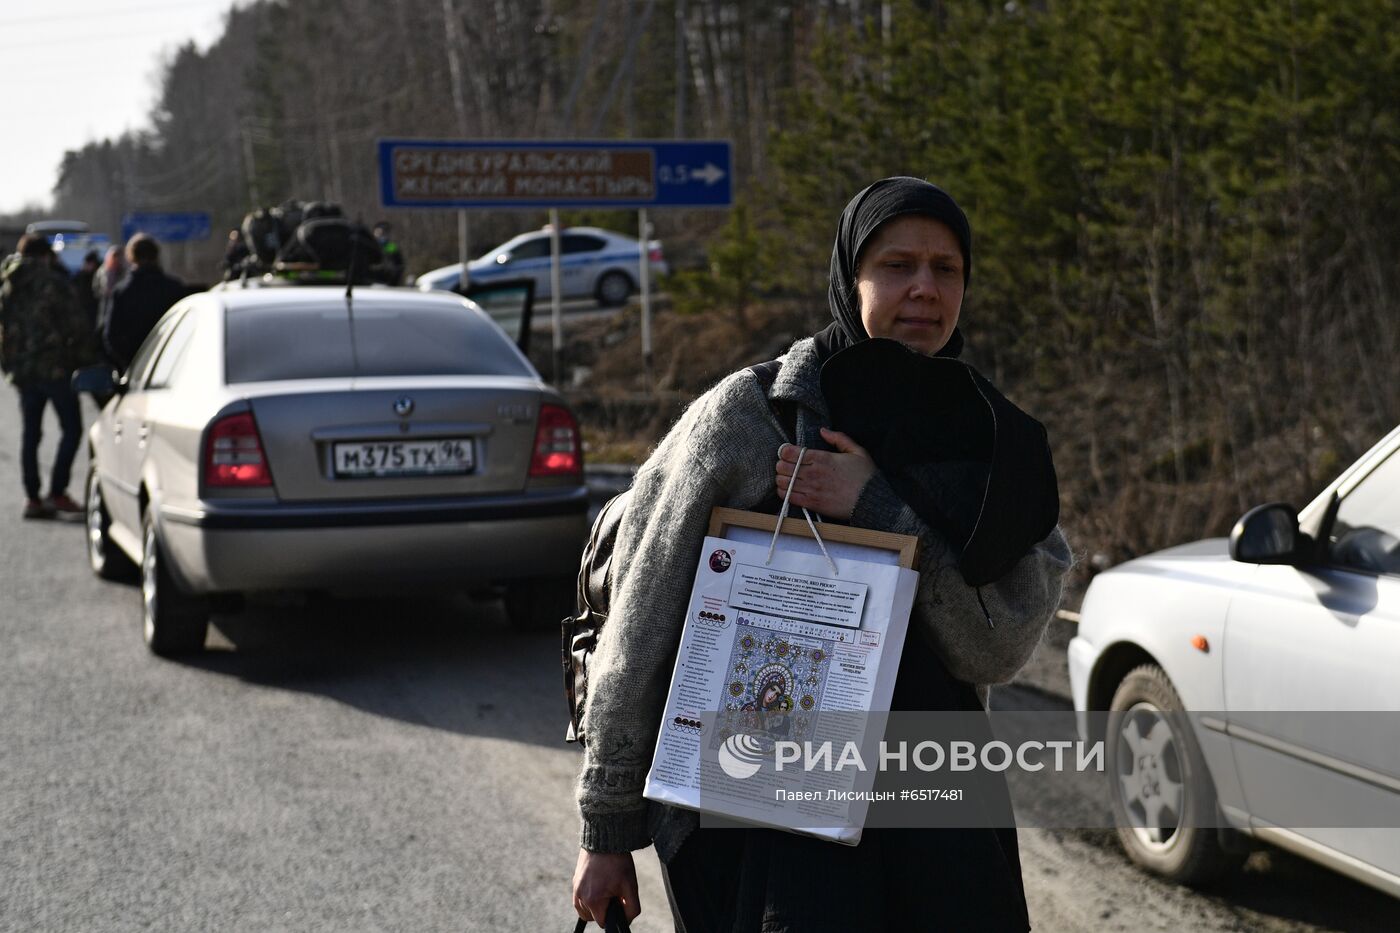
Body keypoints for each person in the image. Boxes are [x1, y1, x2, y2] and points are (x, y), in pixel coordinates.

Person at [570, 177, 1071, 931]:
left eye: (947, 269)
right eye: (897, 265)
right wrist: (607, 828)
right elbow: (642, 623)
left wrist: (877, 509)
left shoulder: (998, 448)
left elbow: (995, 646)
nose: (925, 288)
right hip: (759, 814)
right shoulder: (753, 415)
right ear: (850, 275)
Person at [0, 235, 93, 519]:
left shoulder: (8, 286)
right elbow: (76, 326)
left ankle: (33, 498)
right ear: (45, 256)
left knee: (31, 433)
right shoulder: (53, 283)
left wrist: (9, 366)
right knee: (72, 428)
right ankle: (57, 492)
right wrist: (89, 361)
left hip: (23, 371)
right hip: (55, 369)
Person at [103, 234, 186, 372]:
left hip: (135, 369)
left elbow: (111, 336)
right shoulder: (174, 288)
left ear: (131, 257)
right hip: (171, 367)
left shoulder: (122, 292)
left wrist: (130, 362)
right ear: (156, 256)